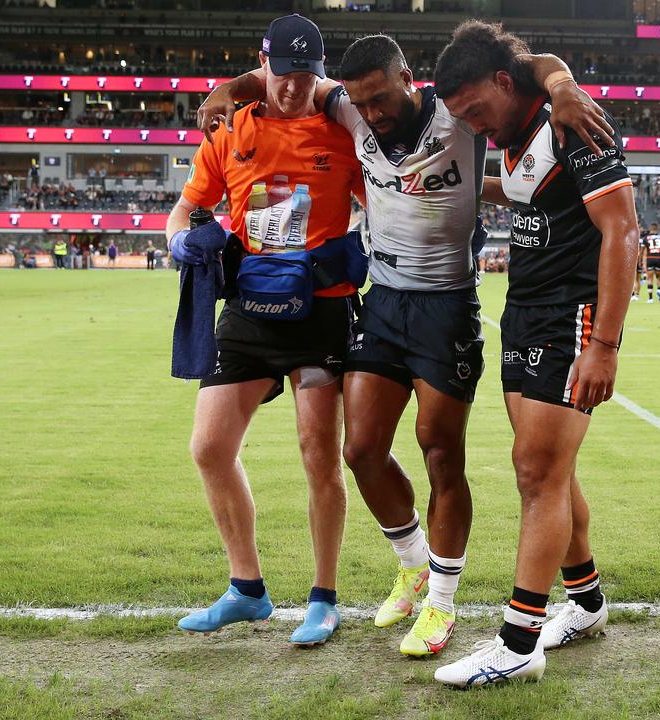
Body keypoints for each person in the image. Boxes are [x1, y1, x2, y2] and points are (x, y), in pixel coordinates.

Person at [197, 28, 609, 658]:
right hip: (383, 303)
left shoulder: (457, 111)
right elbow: (284, 80)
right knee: (360, 449)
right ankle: (413, 564)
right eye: (359, 104)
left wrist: (563, 86)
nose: (370, 114)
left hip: (448, 307)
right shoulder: (345, 105)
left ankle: (442, 604)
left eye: (381, 99)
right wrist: (229, 88)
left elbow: (529, 64)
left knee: (441, 453)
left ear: (407, 80)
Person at [431, 19, 639, 687]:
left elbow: (622, 233)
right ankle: (586, 604)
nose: (474, 125)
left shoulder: (572, 123)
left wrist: (603, 345)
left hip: (571, 318)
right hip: (522, 315)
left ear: (501, 81)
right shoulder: (517, 132)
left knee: (536, 472)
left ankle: (518, 644)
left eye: (475, 110)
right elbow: (527, 193)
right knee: (552, 471)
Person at [170, 14, 363, 648]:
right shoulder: (231, 128)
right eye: (282, 74)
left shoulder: (342, 128)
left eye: (305, 75)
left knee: (318, 453)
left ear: (320, 71)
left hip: (322, 310)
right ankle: (246, 589)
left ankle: (324, 597)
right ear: (264, 64)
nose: (291, 88)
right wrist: (180, 243)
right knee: (208, 447)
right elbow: (187, 205)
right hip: (250, 310)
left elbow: (384, 197)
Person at [642, 222, 660, 303]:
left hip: (650, 258)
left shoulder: (646, 238)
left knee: (650, 278)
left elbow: (642, 251)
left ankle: (650, 298)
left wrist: (640, 261)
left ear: (650, 229)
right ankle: (659, 290)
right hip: (659, 258)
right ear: (657, 229)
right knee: (659, 277)